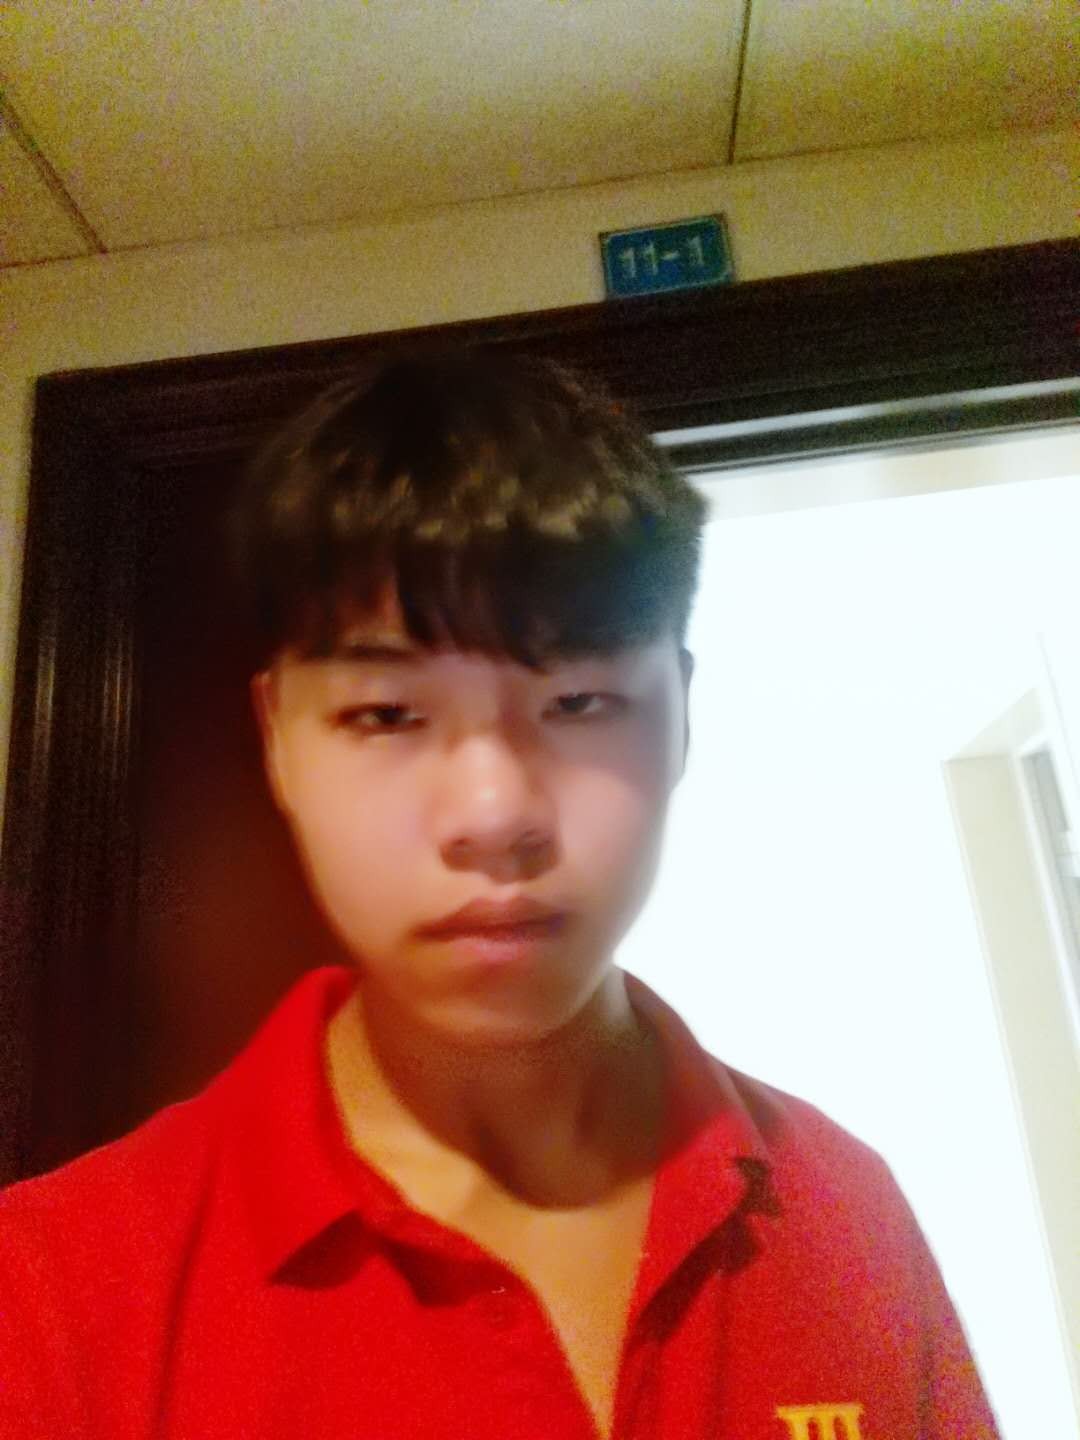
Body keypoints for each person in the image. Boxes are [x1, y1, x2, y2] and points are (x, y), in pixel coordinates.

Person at [0, 349, 1000, 1439]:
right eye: (387, 714)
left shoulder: (844, 1214)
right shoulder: (54, 1292)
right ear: (278, 741)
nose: (494, 813)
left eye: (580, 702)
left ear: (681, 715)